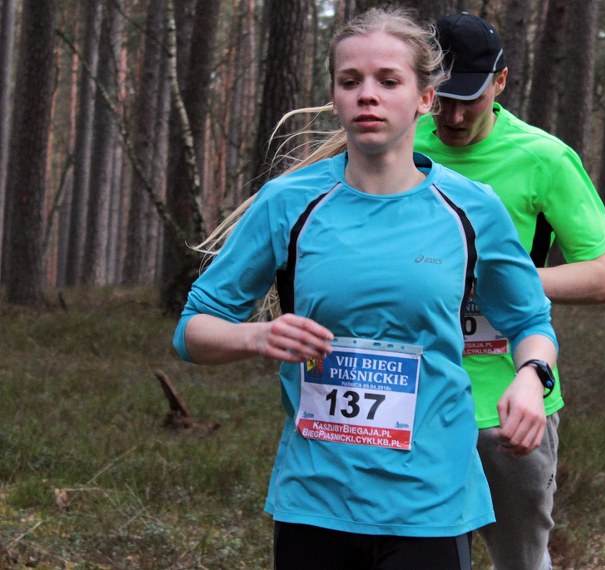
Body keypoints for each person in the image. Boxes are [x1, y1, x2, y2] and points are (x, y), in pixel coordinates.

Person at [172, 8, 559, 570]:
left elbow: (530, 322)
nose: (367, 95)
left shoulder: (472, 209)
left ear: (425, 98)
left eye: (388, 80)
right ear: (335, 97)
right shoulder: (288, 203)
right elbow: (192, 330)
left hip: (432, 501)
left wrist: (530, 377)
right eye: (350, 81)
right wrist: (258, 337)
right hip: (317, 501)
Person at [414, 12, 605, 570]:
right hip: (413, 399)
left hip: (511, 403)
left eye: (470, 99)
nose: (454, 116)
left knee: (521, 561)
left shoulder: (543, 158)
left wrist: (499, 282)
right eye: (441, 98)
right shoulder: (397, 145)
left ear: (500, 82)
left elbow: (603, 277)